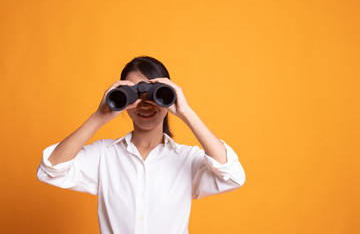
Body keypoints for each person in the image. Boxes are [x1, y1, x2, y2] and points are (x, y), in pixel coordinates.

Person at [37, 56, 246, 234]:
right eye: (135, 96)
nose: (145, 104)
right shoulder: (104, 155)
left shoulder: (186, 159)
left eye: (154, 95)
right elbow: (51, 169)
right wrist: (99, 116)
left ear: (168, 96)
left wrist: (186, 112)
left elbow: (233, 175)